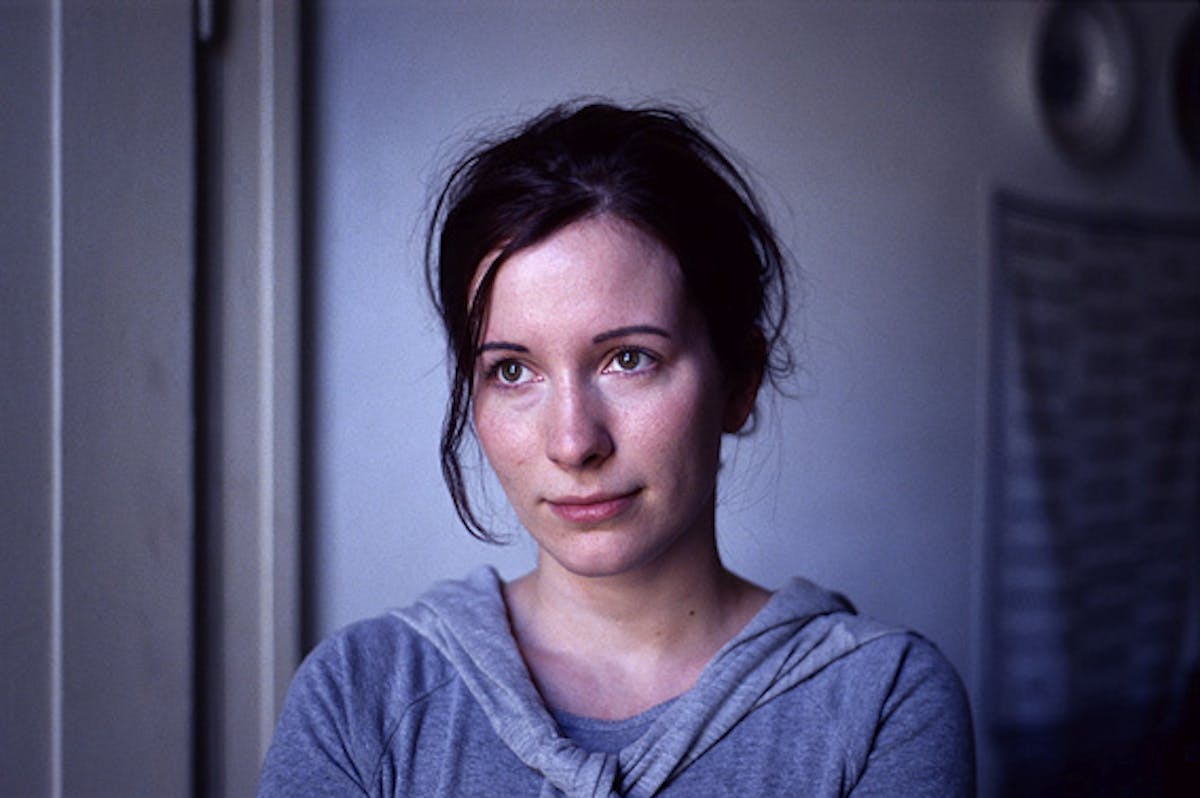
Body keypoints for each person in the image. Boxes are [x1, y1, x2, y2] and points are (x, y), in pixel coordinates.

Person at [259, 102, 975, 796]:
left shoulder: (880, 702)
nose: (574, 443)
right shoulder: (359, 696)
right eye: (512, 371)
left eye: (629, 359)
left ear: (739, 380)